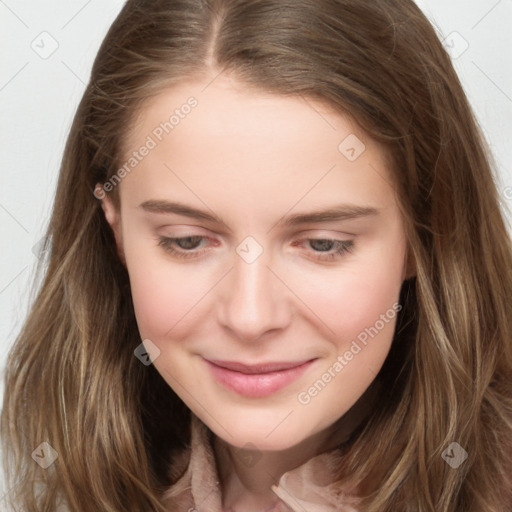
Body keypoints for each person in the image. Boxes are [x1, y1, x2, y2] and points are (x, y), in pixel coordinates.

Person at [2, 1, 512, 511]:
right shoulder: (67, 483)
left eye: (323, 244)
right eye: (187, 240)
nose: (250, 317)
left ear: (424, 234)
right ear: (116, 232)